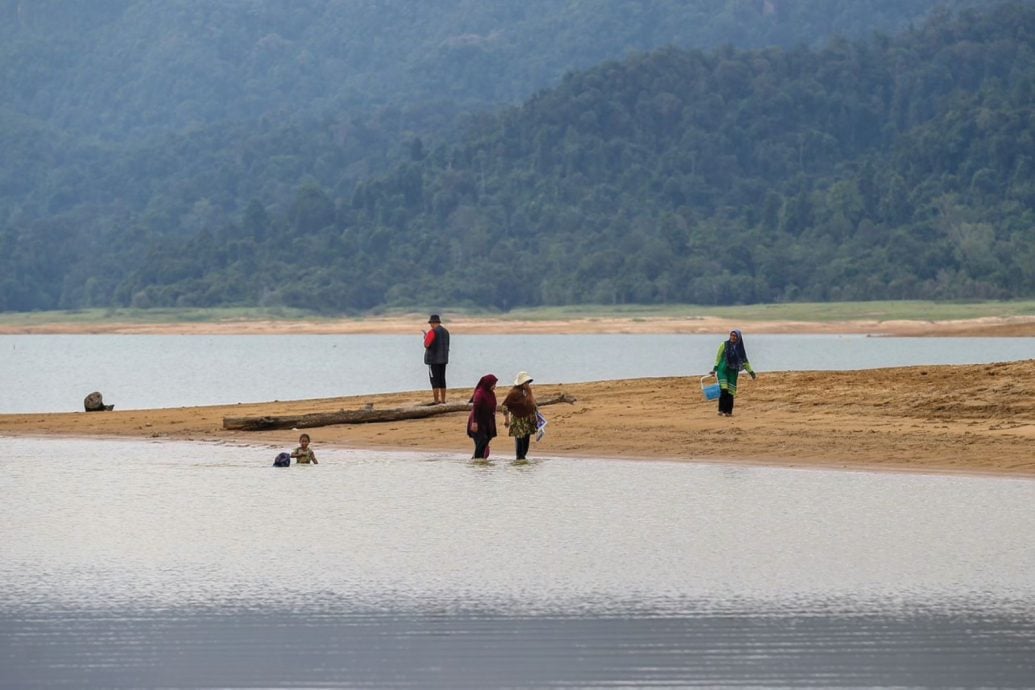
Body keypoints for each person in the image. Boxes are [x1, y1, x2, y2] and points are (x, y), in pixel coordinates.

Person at [711, 329, 757, 417]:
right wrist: (714, 369)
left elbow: (745, 362)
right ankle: (721, 410)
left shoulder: (740, 350)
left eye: (735, 336)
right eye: (731, 335)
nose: (733, 337)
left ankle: (728, 412)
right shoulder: (724, 345)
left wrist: (751, 372)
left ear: (738, 337)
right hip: (722, 370)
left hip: (733, 372)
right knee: (724, 389)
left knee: (730, 392)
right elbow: (718, 358)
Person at [501, 371, 538, 461]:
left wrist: (536, 415)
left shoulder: (528, 391)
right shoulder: (514, 393)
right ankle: (520, 458)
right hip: (518, 420)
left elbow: (532, 404)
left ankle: (523, 458)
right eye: (525, 382)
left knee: (526, 439)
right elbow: (505, 406)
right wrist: (507, 419)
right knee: (519, 439)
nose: (527, 384)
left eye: (528, 382)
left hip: (527, 420)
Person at [467, 374, 498, 460]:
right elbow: (476, 408)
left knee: (486, 441)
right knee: (481, 441)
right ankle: (477, 460)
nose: (495, 386)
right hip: (477, 421)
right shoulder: (480, 393)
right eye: (493, 384)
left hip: (487, 422)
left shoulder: (491, 393)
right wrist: (474, 422)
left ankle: (479, 460)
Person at [422, 313, 450, 404]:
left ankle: (436, 401)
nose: (430, 325)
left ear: (434, 323)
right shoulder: (446, 332)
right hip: (444, 359)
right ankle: (443, 400)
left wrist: (425, 337)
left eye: (431, 323)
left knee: (434, 381)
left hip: (433, 360)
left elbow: (427, 344)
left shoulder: (432, 332)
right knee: (442, 379)